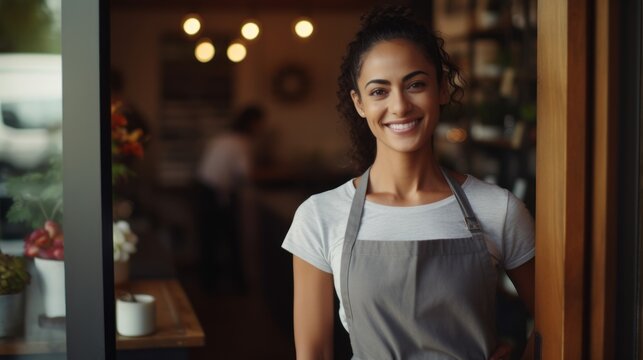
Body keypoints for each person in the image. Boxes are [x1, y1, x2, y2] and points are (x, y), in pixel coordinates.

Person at [281, 6, 534, 360]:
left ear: (443, 89)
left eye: (415, 84)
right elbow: (313, 355)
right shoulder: (320, 216)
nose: (399, 106)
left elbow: (559, 325)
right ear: (359, 104)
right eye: (379, 91)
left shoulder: (499, 209)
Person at [195, 105, 265, 292]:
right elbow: (246, 174)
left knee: (209, 240)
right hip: (215, 194)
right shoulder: (242, 143)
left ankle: (210, 287)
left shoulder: (223, 137)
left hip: (202, 188)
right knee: (230, 239)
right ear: (252, 123)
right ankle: (238, 286)